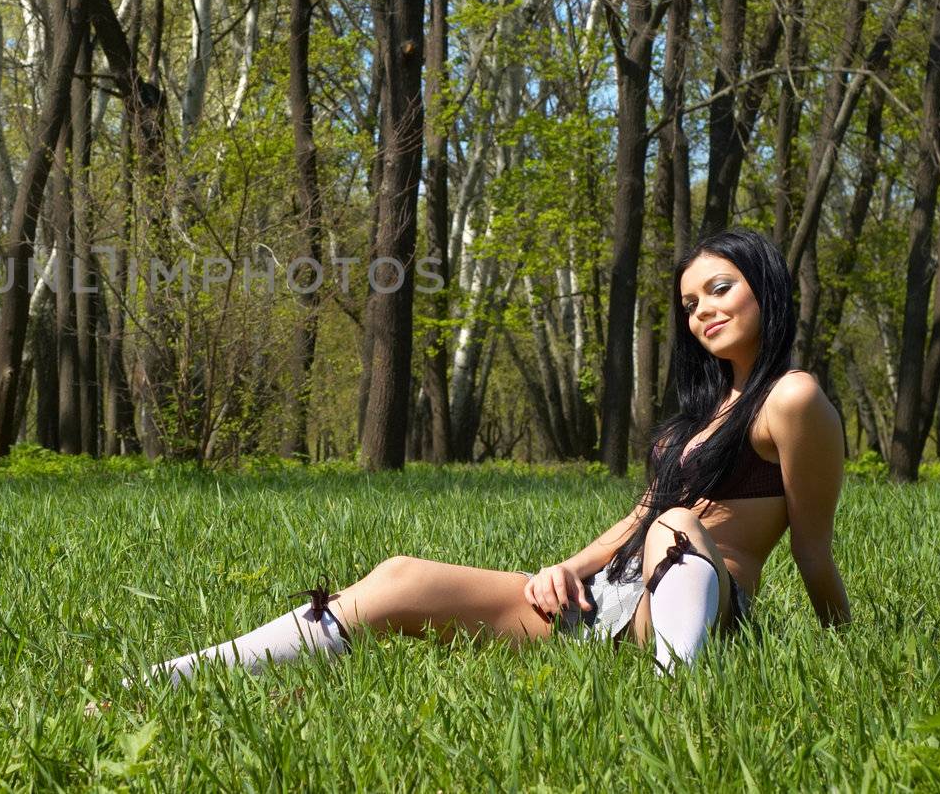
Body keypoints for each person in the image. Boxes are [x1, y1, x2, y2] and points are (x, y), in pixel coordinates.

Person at [127, 227, 852, 689]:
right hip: (614, 595)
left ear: (767, 286)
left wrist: (847, 657)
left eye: (720, 288)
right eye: (691, 302)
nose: (703, 311)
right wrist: (568, 569)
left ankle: (677, 699)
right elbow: (639, 514)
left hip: (701, 609)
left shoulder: (791, 398)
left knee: (677, 529)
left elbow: (812, 552)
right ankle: (176, 677)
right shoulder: (698, 414)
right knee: (399, 578)